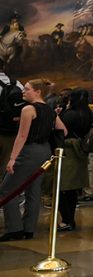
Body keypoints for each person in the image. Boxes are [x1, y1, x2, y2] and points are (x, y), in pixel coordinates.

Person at [1, 80, 63, 241]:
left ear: (38, 92)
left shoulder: (28, 109)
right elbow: (63, 130)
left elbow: (22, 136)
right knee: (34, 190)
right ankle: (29, 228)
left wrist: (12, 158)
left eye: (27, 89)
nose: (23, 92)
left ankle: (14, 228)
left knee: (7, 190)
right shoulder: (50, 110)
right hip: (44, 150)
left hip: (29, 151)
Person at [56, 88, 92, 232]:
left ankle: (67, 220)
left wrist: (57, 116)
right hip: (80, 152)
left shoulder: (70, 114)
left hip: (68, 152)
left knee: (63, 189)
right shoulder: (88, 113)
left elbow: (61, 132)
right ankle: (69, 219)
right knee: (72, 191)